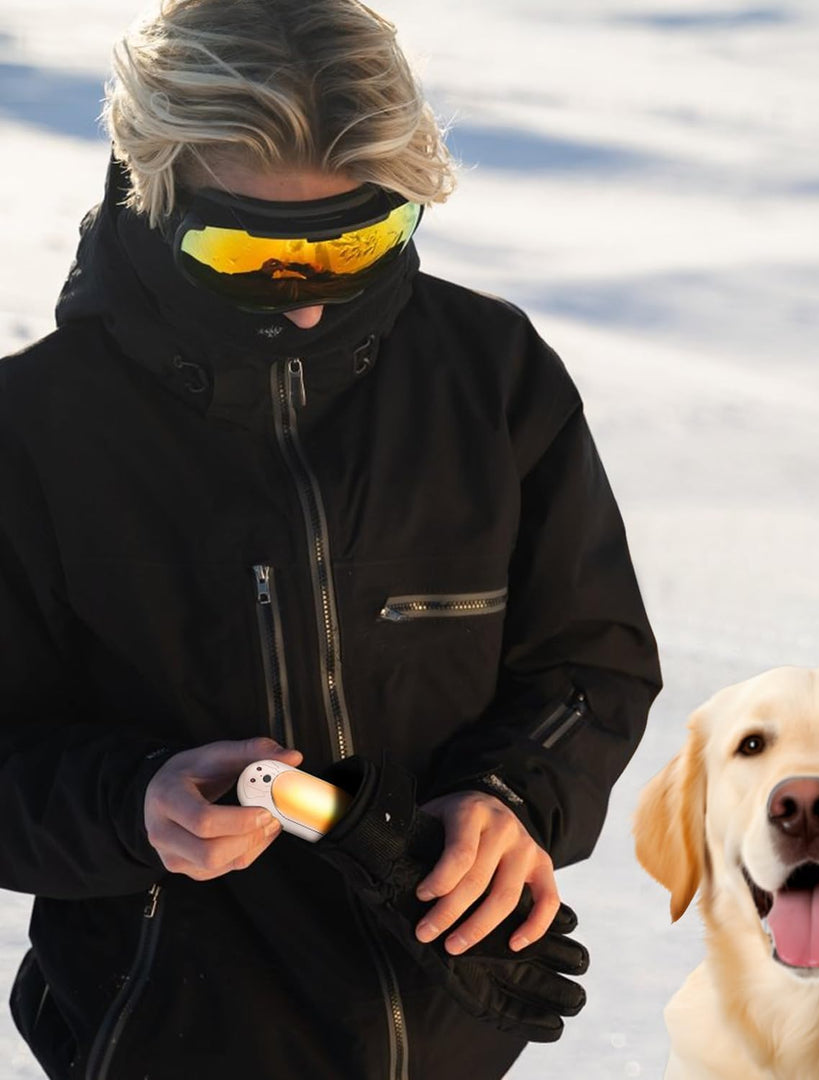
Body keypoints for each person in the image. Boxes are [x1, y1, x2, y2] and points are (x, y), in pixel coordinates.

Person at [0, 0, 662, 1077]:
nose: (305, 302)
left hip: (455, 1038)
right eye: (245, 249)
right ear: (154, 193)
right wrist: (135, 805)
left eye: (355, 240)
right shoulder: (36, 434)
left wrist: (509, 796)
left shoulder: (488, 376)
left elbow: (588, 663)